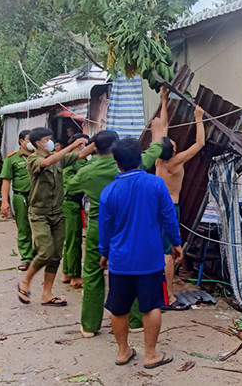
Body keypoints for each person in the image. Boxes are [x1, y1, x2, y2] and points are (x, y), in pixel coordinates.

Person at [69, 121, 166, 338]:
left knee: (93, 273)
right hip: (128, 226)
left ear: (96, 147)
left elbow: (68, 185)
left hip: (97, 225)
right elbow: (154, 150)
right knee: (131, 272)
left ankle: (89, 325)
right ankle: (135, 321)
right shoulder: (129, 164)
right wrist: (159, 132)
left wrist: (81, 154)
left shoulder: (86, 172)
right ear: (116, 147)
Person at [99, 137, 182, 369]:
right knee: (152, 306)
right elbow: (168, 217)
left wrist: (103, 253)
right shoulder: (156, 185)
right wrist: (176, 243)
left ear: (117, 162)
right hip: (150, 260)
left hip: (120, 261)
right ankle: (151, 355)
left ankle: (123, 351)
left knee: (118, 308)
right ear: (140, 158)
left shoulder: (109, 191)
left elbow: (104, 228)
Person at [17, 128, 87, 307]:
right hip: (40, 213)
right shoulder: (35, 159)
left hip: (57, 213)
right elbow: (47, 162)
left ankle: (47, 294)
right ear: (39, 143)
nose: (50, 142)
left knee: (56, 255)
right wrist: (72, 145)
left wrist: (98, 142)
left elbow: (80, 155)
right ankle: (25, 281)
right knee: (46, 251)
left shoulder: (57, 159)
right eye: (47, 139)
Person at [155, 87, 206, 293]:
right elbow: (200, 143)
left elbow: (163, 125)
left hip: (154, 208)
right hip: (169, 209)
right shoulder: (175, 162)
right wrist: (198, 118)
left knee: (156, 249)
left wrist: (164, 101)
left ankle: (155, 289)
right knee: (168, 253)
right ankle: (168, 296)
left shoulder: (158, 158)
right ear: (174, 150)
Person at [0, 130, 35, 271]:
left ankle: (41, 256)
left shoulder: (40, 156)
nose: (32, 143)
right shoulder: (12, 158)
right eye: (29, 140)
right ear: (21, 141)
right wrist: (4, 201)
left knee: (42, 226)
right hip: (21, 197)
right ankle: (26, 258)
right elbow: (6, 181)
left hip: (39, 197)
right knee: (23, 227)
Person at [61, 132, 89, 288]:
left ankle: (67, 272)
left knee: (70, 240)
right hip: (70, 203)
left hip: (71, 203)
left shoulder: (72, 159)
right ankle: (74, 276)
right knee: (74, 241)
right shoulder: (76, 160)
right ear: (80, 145)